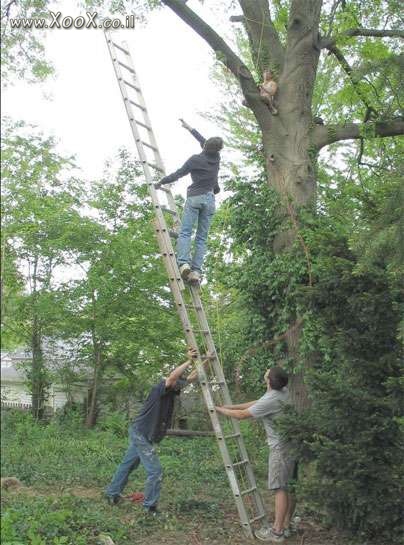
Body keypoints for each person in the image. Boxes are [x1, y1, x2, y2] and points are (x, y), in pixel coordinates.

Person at [105, 347, 205, 514]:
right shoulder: (160, 388)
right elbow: (173, 377)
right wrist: (189, 360)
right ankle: (149, 507)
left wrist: (206, 360)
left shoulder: (174, 388)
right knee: (155, 471)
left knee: (128, 465)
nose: (178, 385)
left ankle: (111, 493)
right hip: (140, 434)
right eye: (175, 381)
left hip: (142, 433)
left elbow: (192, 378)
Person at [215, 367, 296, 543]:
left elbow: (243, 415)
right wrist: (230, 406)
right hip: (292, 445)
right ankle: (287, 525)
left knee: (280, 488)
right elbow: (257, 403)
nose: (266, 372)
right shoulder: (282, 391)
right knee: (289, 486)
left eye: (267, 373)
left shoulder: (272, 398)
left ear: (268, 381)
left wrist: (219, 410)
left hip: (280, 450)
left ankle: (277, 532)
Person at [155, 119, 223, 284]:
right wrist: (190, 129)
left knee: (185, 232)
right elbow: (204, 140)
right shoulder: (216, 157)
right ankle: (196, 272)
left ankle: (184, 263)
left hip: (195, 198)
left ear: (204, 147)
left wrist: (161, 182)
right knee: (201, 238)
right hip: (210, 199)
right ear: (217, 149)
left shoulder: (195, 160)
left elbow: (178, 174)